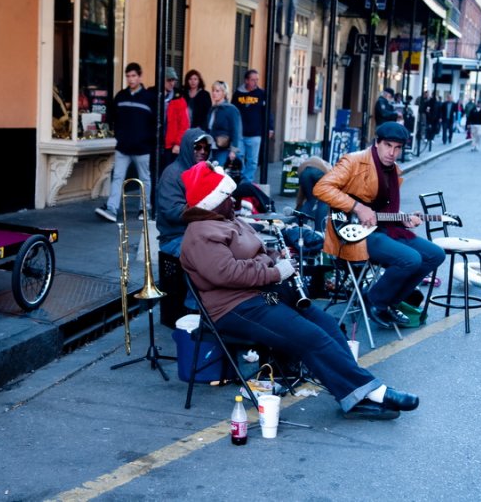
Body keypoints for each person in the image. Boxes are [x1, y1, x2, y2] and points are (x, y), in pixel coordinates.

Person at [179, 161, 420, 420]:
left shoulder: (227, 219)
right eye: (228, 196)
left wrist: (275, 257)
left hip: (261, 293)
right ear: (212, 201)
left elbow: (257, 254)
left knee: (326, 325)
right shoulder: (200, 233)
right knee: (309, 337)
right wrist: (274, 270)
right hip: (235, 306)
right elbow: (228, 273)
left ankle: (357, 390)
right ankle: (374, 392)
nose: (234, 200)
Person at [314, 122, 445, 329]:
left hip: (379, 228)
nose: (392, 152)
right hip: (349, 233)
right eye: (388, 145)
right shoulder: (354, 161)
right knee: (410, 259)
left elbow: (379, 208)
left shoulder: (392, 170)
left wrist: (401, 217)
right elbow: (321, 188)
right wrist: (357, 207)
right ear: (377, 143)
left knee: (435, 254)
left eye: (397, 147)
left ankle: (386, 301)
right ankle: (376, 301)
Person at [95, 62, 156, 223]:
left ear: (140, 76)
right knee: (118, 178)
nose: (131, 79)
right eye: (128, 76)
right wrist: (119, 136)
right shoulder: (120, 96)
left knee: (145, 179)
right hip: (123, 147)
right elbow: (113, 118)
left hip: (142, 148)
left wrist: (147, 140)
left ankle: (145, 208)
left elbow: (154, 123)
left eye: (134, 76)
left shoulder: (149, 98)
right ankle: (112, 209)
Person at [156, 128, 213, 257]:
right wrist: (208, 209)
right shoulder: (172, 174)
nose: (202, 152)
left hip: (201, 232)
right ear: (188, 148)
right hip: (176, 237)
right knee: (209, 257)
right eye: (197, 147)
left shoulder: (205, 172)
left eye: (206, 148)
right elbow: (174, 212)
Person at [231, 69, 274, 182]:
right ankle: (240, 180)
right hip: (240, 133)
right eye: (252, 80)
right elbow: (233, 112)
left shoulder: (261, 94)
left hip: (255, 133)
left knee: (252, 161)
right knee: (239, 158)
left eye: (257, 80)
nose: (255, 82)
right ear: (246, 80)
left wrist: (270, 127)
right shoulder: (238, 94)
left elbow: (267, 111)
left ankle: (247, 181)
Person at [205, 80, 241, 168]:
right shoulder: (212, 109)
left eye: (217, 91)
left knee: (219, 171)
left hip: (223, 147)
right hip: (211, 146)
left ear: (224, 93)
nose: (214, 93)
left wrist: (233, 150)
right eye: (213, 90)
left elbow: (235, 130)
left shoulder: (231, 109)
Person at [295, 156, 333, 231]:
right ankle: (319, 230)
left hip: (304, 172)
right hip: (320, 173)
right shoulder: (330, 169)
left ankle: (299, 227)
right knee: (323, 201)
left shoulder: (310, 163)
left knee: (310, 200)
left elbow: (301, 193)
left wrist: (299, 206)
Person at [163, 67, 190, 168]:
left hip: (171, 146)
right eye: (169, 80)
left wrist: (178, 143)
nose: (172, 83)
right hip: (156, 144)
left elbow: (184, 124)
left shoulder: (179, 99)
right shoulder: (154, 95)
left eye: (173, 80)